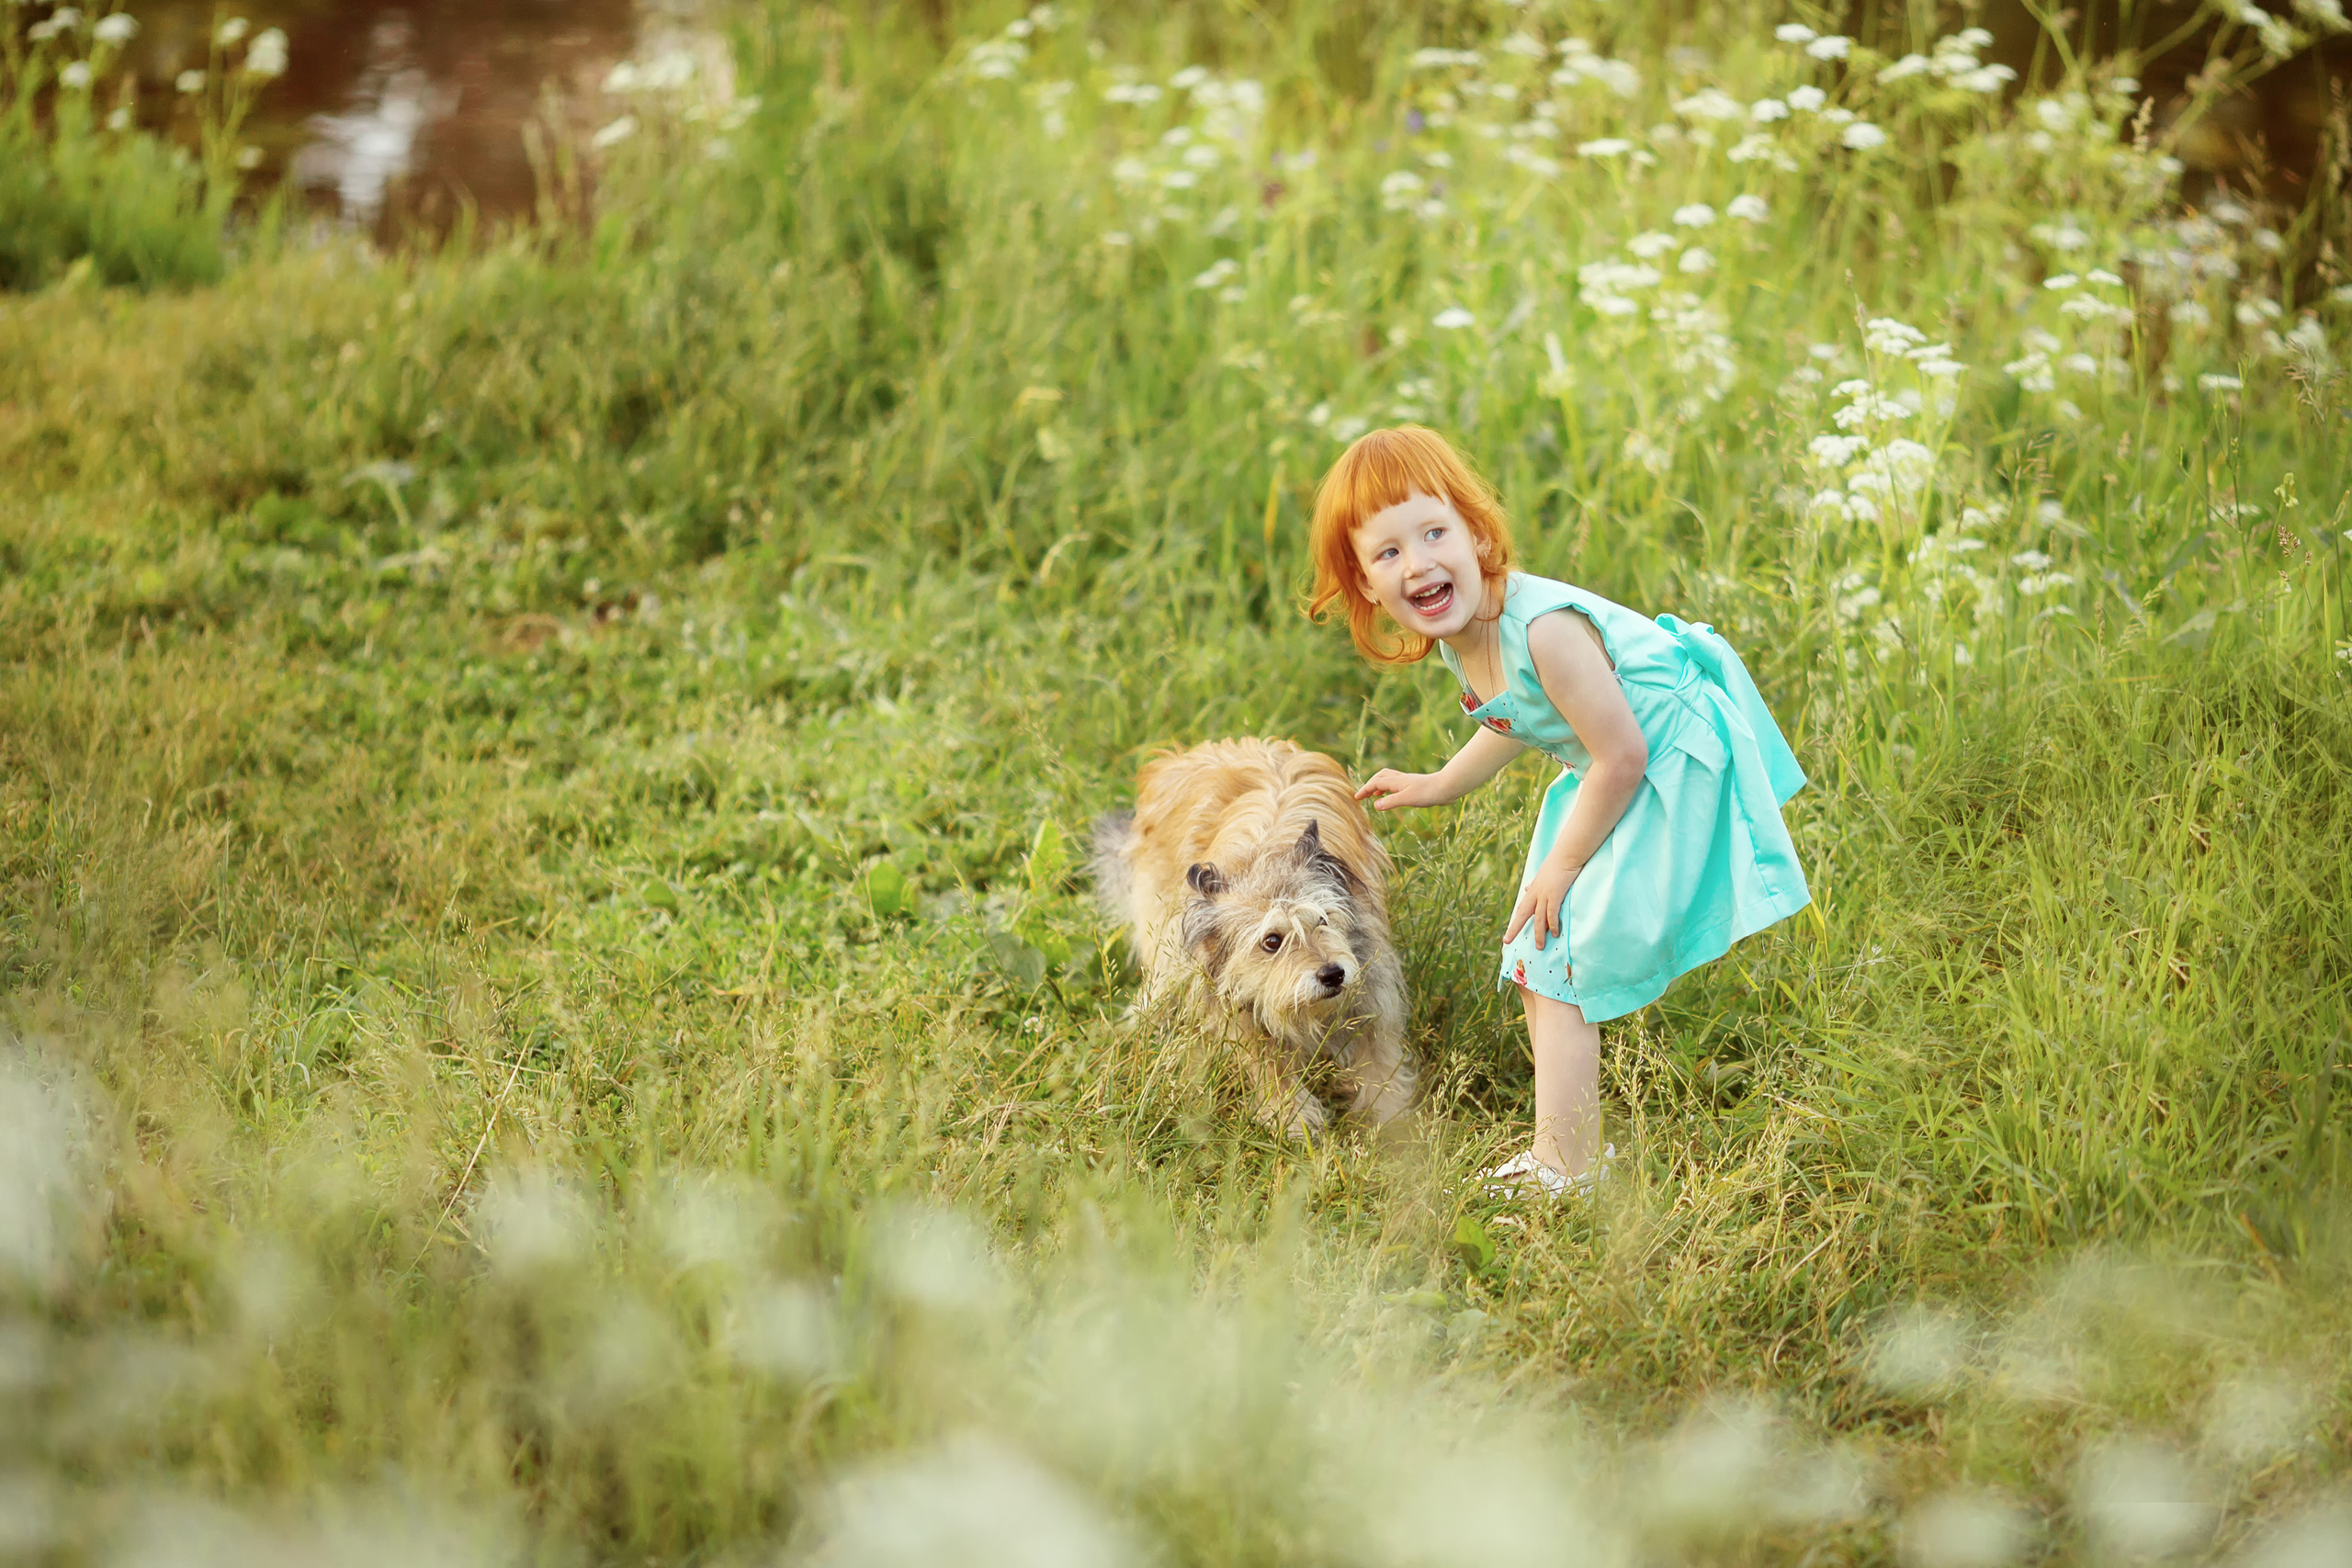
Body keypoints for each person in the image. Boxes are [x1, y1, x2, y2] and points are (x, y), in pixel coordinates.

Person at [1309, 425, 1811, 1197]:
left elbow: (1623, 756)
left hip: (1664, 760)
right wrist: (1442, 780)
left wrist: (1562, 864)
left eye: (1434, 532)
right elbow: (1517, 715)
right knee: (1539, 959)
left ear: (1477, 535)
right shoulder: (1461, 632)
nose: (1419, 563)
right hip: (1609, 766)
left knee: (1560, 960)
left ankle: (1568, 1166)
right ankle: (1565, 1150)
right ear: (1366, 585)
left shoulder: (1544, 630)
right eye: (1388, 552)